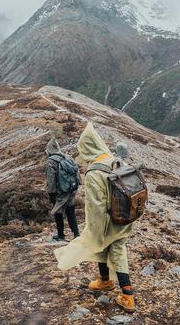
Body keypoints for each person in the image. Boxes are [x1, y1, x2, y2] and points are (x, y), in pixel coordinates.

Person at [54, 122, 136, 313]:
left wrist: (94, 232)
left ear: (87, 149)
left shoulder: (94, 172)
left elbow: (96, 207)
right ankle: (105, 281)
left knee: (109, 247)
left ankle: (127, 296)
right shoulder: (115, 160)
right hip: (125, 216)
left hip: (110, 220)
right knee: (109, 247)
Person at [45, 138, 80, 241]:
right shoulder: (68, 157)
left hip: (60, 191)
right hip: (71, 189)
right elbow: (77, 172)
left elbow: (51, 181)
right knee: (71, 211)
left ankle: (60, 235)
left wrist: (51, 194)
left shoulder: (50, 162)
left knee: (58, 212)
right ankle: (76, 234)